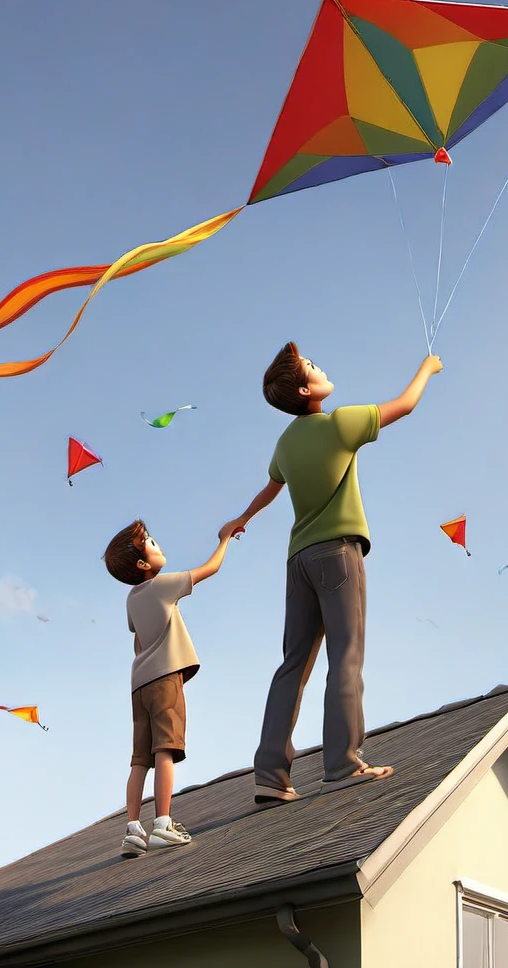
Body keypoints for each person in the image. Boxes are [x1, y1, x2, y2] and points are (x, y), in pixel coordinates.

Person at [223, 343, 443, 804]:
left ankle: (270, 773)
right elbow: (405, 404)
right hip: (338, 555)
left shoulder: (285, 443)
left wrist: (240, 519)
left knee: (293, 665)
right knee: (345, 653)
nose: (321, 367)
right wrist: (427, 367)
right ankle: (342, 761)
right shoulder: (342, 422)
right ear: (306, 389)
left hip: (297, 560)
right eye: (312, 366)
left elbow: (270, 489)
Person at [104, 518, 234, 856]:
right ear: (144, 564)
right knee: (166, 750)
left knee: (139, 759)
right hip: (165, 679)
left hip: (139, 684)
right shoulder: (161, 586)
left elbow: (138, 638)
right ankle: (163, 823)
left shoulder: (131, 600)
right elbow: (211, 568)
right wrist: (225, 538)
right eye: (149, 541)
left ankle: (133, 829)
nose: (157, 542)